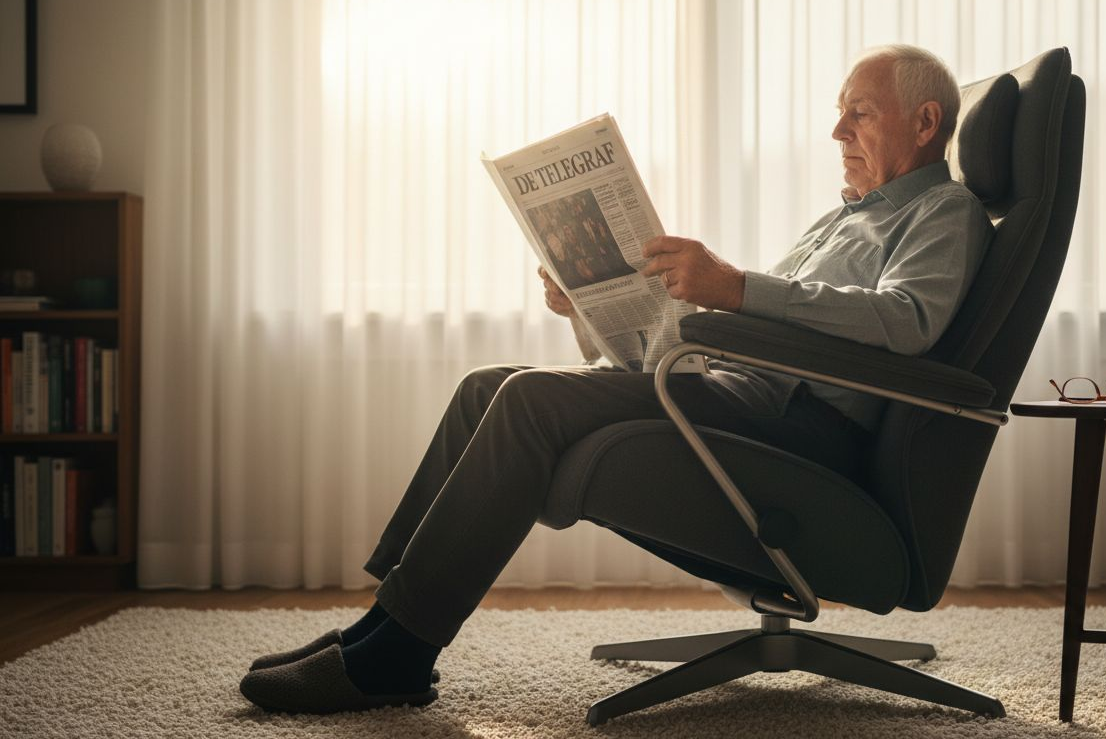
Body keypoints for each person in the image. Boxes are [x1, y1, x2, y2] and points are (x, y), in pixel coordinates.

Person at [239, 43, 993, 714]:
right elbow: (753, 324)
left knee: (529, 400)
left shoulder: (943, 211)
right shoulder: (840, 221)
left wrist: (733, 287)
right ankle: (382, 623)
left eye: (857, 114)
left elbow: (906, 321)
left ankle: (395, 655)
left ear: (925, 124)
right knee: (487, 384)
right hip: (734, 386)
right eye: (839, 115)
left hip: (799, 424)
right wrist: (593, 304)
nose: (837, 133)